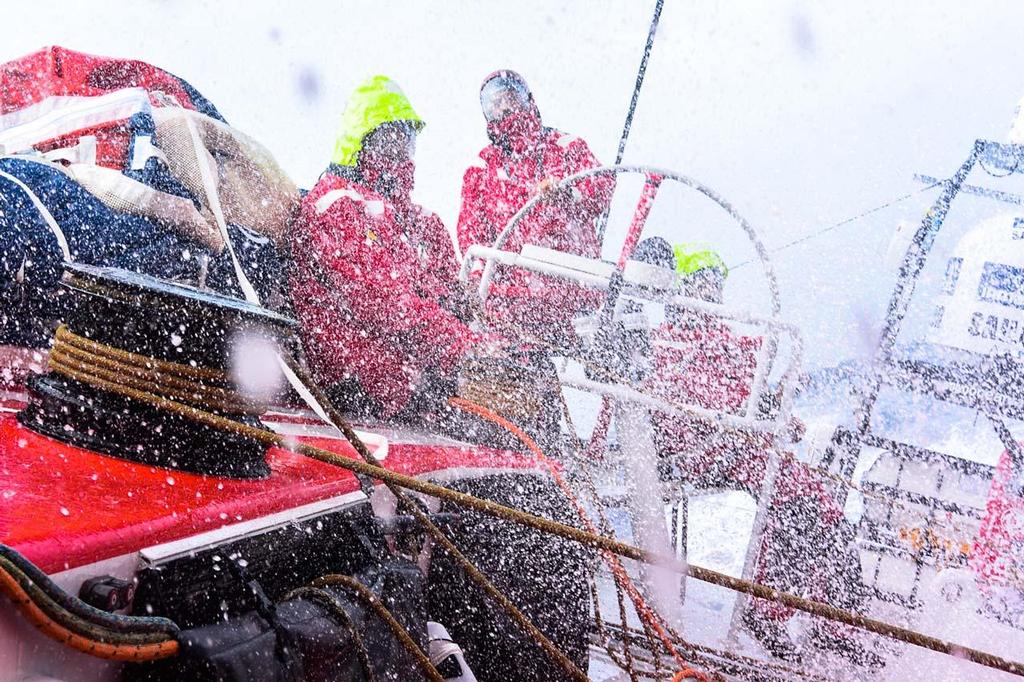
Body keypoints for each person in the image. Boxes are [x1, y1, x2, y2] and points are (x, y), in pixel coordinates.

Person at [639, 238, 874, 665]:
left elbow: (749, 401)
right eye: (704, 285)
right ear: (684, 289)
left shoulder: (727, 343)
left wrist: (778, 411)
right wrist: (759, 417)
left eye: (715, 286)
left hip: (738, 445)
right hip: (711, 451)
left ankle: (837, 620)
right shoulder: (669, 343)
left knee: (828, 516)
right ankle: (766, 610)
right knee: (800, 503)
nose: (712, 295)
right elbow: (694, 410)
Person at [290, 76, 477, 419]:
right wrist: (467, 350)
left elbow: (445, 293)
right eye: (390, 143)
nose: (401, 157)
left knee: (525, 389)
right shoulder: (336, 206)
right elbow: (383, 304)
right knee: (502, 431)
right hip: (364, 386)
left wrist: (485, 333)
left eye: (407, 143)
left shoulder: (420, 223)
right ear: (360, 144)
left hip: (421, 384)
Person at [456, 70, 614, 344]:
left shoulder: (566, 148)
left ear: (526, 98)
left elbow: (601, 188)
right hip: (514, 298)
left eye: (509, 98)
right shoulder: (482, 171)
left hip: (574, 290)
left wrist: (567, 193)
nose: (504, 108)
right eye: (495, 104)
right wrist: (480, 277)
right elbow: (472, 234)